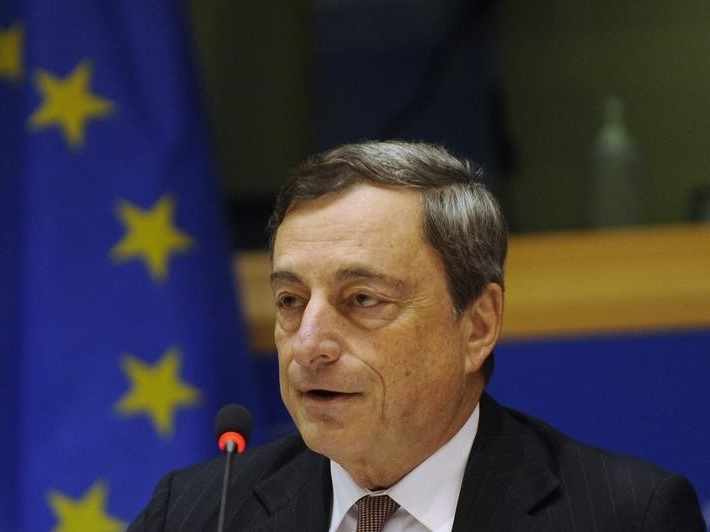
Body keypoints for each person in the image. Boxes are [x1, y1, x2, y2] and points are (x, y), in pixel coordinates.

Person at [130, 141, 705, 531]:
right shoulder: (196, 514)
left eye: (362, 300)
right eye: (290, 302)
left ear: (477, 326)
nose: (308, 345)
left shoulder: (623, 517)